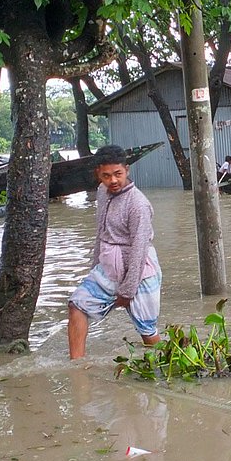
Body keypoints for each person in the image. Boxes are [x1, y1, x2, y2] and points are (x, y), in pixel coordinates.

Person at [68, 145, 162, 359]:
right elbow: (100, 231)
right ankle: (77, 368)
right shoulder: (102, 192)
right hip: (109, 267)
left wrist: (127, 291)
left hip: (140, 274)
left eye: (118, 174)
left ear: (127, 170)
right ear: (98, 175)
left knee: (147, 331)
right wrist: (95, 266)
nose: (113, 181)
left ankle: (168, 367)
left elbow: (139, 249)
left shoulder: (138, 204)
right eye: (106, 175)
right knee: (77, 306)